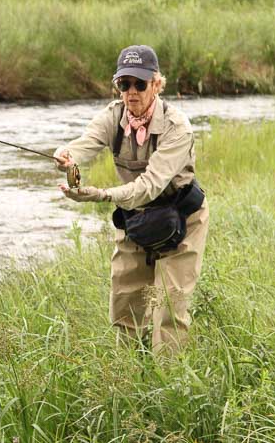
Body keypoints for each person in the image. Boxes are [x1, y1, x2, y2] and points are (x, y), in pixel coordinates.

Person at [54, 45, 208, 355]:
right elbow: (87, 144)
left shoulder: (177, 128)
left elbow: (150, 185)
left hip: (182, 221)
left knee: (169, 312)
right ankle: (127, 385)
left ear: (157, 84)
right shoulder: (114, 115)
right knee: (124, 307)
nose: (131, 92)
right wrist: (68, 157)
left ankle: (168, 391)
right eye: (124, 84)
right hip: (135, 219)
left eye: (139, 84)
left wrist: (103, 195)